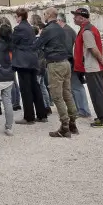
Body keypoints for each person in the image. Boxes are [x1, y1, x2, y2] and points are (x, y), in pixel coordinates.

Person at [36, 8, 78, 138]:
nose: (43, 16)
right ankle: (73, 122)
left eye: (44, 14)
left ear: (48, 15)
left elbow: (37, 45)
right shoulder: (61, 28)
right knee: (67, 93)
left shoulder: (47, 30)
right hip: (66, 62)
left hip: (55, 64)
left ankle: (64, 126)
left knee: (57, 96)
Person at [72, 8, 103, 128]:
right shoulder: (89, 29)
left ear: (82, 18)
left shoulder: (86, 31)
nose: (74, 18)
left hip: (92, 66)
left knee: (97, 94)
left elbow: (93, 48)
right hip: (93, 66)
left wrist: (101, 60)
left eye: (76, 16)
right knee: (98, 92)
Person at [11, 7, 48, 125]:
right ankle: (42, 114)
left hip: (23, 61)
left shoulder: (18, 28)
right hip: (32, 60)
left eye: (16, 16)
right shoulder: (31, 28)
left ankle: (29, 117)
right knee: (35, 87)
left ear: (20, 17)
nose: (15, 18)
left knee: (25, 89)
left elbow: (13, 42)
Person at [58, 13, 91, 118]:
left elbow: (67, 49)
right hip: (72, 62)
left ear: (59, 20)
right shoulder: (68, 30)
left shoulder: (66, 31)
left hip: (71, 62)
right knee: (73, 87)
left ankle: (84, 110)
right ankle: (79, 109)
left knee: (76, 86)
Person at [0, 16, 21, 111]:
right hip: (13, 57)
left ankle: (14, 102)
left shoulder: (5, 35)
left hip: (8, 58)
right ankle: (17, 102)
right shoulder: (12, 34)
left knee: (12, 82)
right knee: (14, 81)